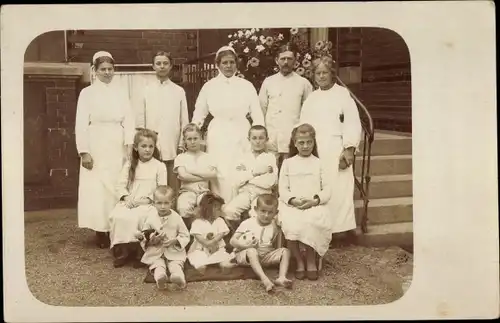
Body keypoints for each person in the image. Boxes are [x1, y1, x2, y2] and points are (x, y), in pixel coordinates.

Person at [75, 50, 135, 248]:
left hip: (116, 141)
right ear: (94, 70)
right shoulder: (87, 93)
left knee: (116, 183)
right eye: (103, 69)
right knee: (98, 187)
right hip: (96, 141)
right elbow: (81, 123)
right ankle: (100, 230)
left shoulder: (121, 92)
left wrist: (129, 143)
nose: (107, 73)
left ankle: (115, 228)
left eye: (110, 69)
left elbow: (129, 119)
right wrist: (84, 151)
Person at [191, 45, 265, 203]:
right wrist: (193, 132)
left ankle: (239, 208)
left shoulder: (246, 86)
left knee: (240, 169)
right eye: (224, 62)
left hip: (241, 132)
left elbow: (257, 112)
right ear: (218, 64)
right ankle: (220, 208)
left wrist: (259, 134)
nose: (228, 66)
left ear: (236, 64)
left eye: (232, 62)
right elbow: (199, 112)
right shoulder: (209, 86)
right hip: (218, 133)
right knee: (220, 171)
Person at [299, 55, 362, 236]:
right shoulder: (312, 98)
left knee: (339, 188)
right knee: (320, 187)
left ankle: (340, 230)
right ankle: (323, 229)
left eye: (324, 73)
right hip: (316, 148)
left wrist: (349, 148)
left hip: (336, 147)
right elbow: (304, 124)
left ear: (331, 74)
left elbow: (351, 122)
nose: (321, 76)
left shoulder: (342, 94)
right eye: (318, 73)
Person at [277, 123, 333, 281]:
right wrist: (292, 200)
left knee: (311, 221)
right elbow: (283, 188)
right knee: (291, 223)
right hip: (292, 204)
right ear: (294, 143)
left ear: (314, 142)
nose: (305, 146)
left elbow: (327, 189)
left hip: (314, 204)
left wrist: (315, 201)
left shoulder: (320, 163)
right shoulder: (288, 163)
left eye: (309, 142)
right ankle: (300, 262)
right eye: (301, 142)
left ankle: (310, 260)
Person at [108, 128, 167, 267]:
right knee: (119, 216)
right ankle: (123, 251)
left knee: (145, 217)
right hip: (130, 201)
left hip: (150, 203)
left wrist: (148, 200)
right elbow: (120, 186)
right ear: (136, 147)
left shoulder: (159, 166)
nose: (147, 150)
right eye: (144, 146)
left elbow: (162, 189)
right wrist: (126, 198)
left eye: (151, 146)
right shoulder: (129, 165)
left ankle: (141, 252)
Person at [138, 51, 189, 200]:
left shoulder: (178, 91)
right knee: (151, 180)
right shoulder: (145, 90)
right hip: (151, 144)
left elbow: (184, 120)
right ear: (153, 66)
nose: (162, 66)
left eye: (165, 63)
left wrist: (181, 143)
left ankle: (171, 212)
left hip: (171, 141)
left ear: (171, 66)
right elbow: (140, 118)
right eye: (158, 63)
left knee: (171, 181)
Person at [259, 43, 313, 171]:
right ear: (277, 60)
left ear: (295, 61)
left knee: (291, 173)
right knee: (269, 173)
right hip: (271, 137)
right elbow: (261, 108)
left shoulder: (303, 83)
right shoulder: (268, 82)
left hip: (292, 137)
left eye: (289, 59)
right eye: (283, 59)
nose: (286, 62)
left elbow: (309, 111)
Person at [230, 194, 293, 293]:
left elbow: (276, 245)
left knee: (285, 251)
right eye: (263, 211)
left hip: (265, 256)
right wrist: (245, 246)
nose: (266, 215)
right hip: (245, 255)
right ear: (256, 209)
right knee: (252, 251)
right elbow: (232, 241)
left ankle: (281, 277)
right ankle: (265, 279)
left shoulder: (274, 226)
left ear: (275, 213)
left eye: (270, 212)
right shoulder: (248, 223)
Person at [222, 125, 278, 231]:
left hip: (262, 193)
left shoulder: (270, 158)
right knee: (229, 210)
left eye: (261, 138)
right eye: (254, 138)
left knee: (256, 214)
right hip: (246, 192)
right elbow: (236, 180)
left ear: (266, 139)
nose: (257, 142)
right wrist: (256, 173)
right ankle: (239, 235)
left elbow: (270, 182)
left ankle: (255, 240)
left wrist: (247, 175)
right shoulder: (243, 157)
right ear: (249, 139)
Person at [139, 185, 190, 291]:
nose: (162, 206)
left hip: (173, 249)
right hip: (156, 250)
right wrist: (152, 239)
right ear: (153, 203)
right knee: (158, 265)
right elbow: (145, 234)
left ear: (172, 202)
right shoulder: (151, 217)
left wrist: (175, 240)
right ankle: (160, 278)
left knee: (176, 264)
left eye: (166, 203)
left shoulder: (176, 217)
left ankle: (178, 277)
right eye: (159, 203)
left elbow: (185, 234)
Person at [174, 123, 218, 229]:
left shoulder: (207, 157)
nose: (193, 142)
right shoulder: (181, 157)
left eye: (195, 138)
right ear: (184, 140)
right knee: (183, 207)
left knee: (209, 206)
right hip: (187, 191)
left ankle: (205, 233)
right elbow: (183, 176)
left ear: (201, 138)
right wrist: (204, 176)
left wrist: (192, 171)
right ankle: (188, 233)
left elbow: (213, 174)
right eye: (189, 139)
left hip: (204, 191)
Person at [187, 192, 236, 274]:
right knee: (198, 256)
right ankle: (201, 267)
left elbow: (221, 233)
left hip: (217, 248)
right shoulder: (197, 222)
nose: (220, 212)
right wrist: (207, 243)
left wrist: (213, 242)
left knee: (222, 255)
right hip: (201, 249)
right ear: (207, 209)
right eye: (218, 209)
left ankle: (224, 265)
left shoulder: (219, 220)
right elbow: (198, 237)